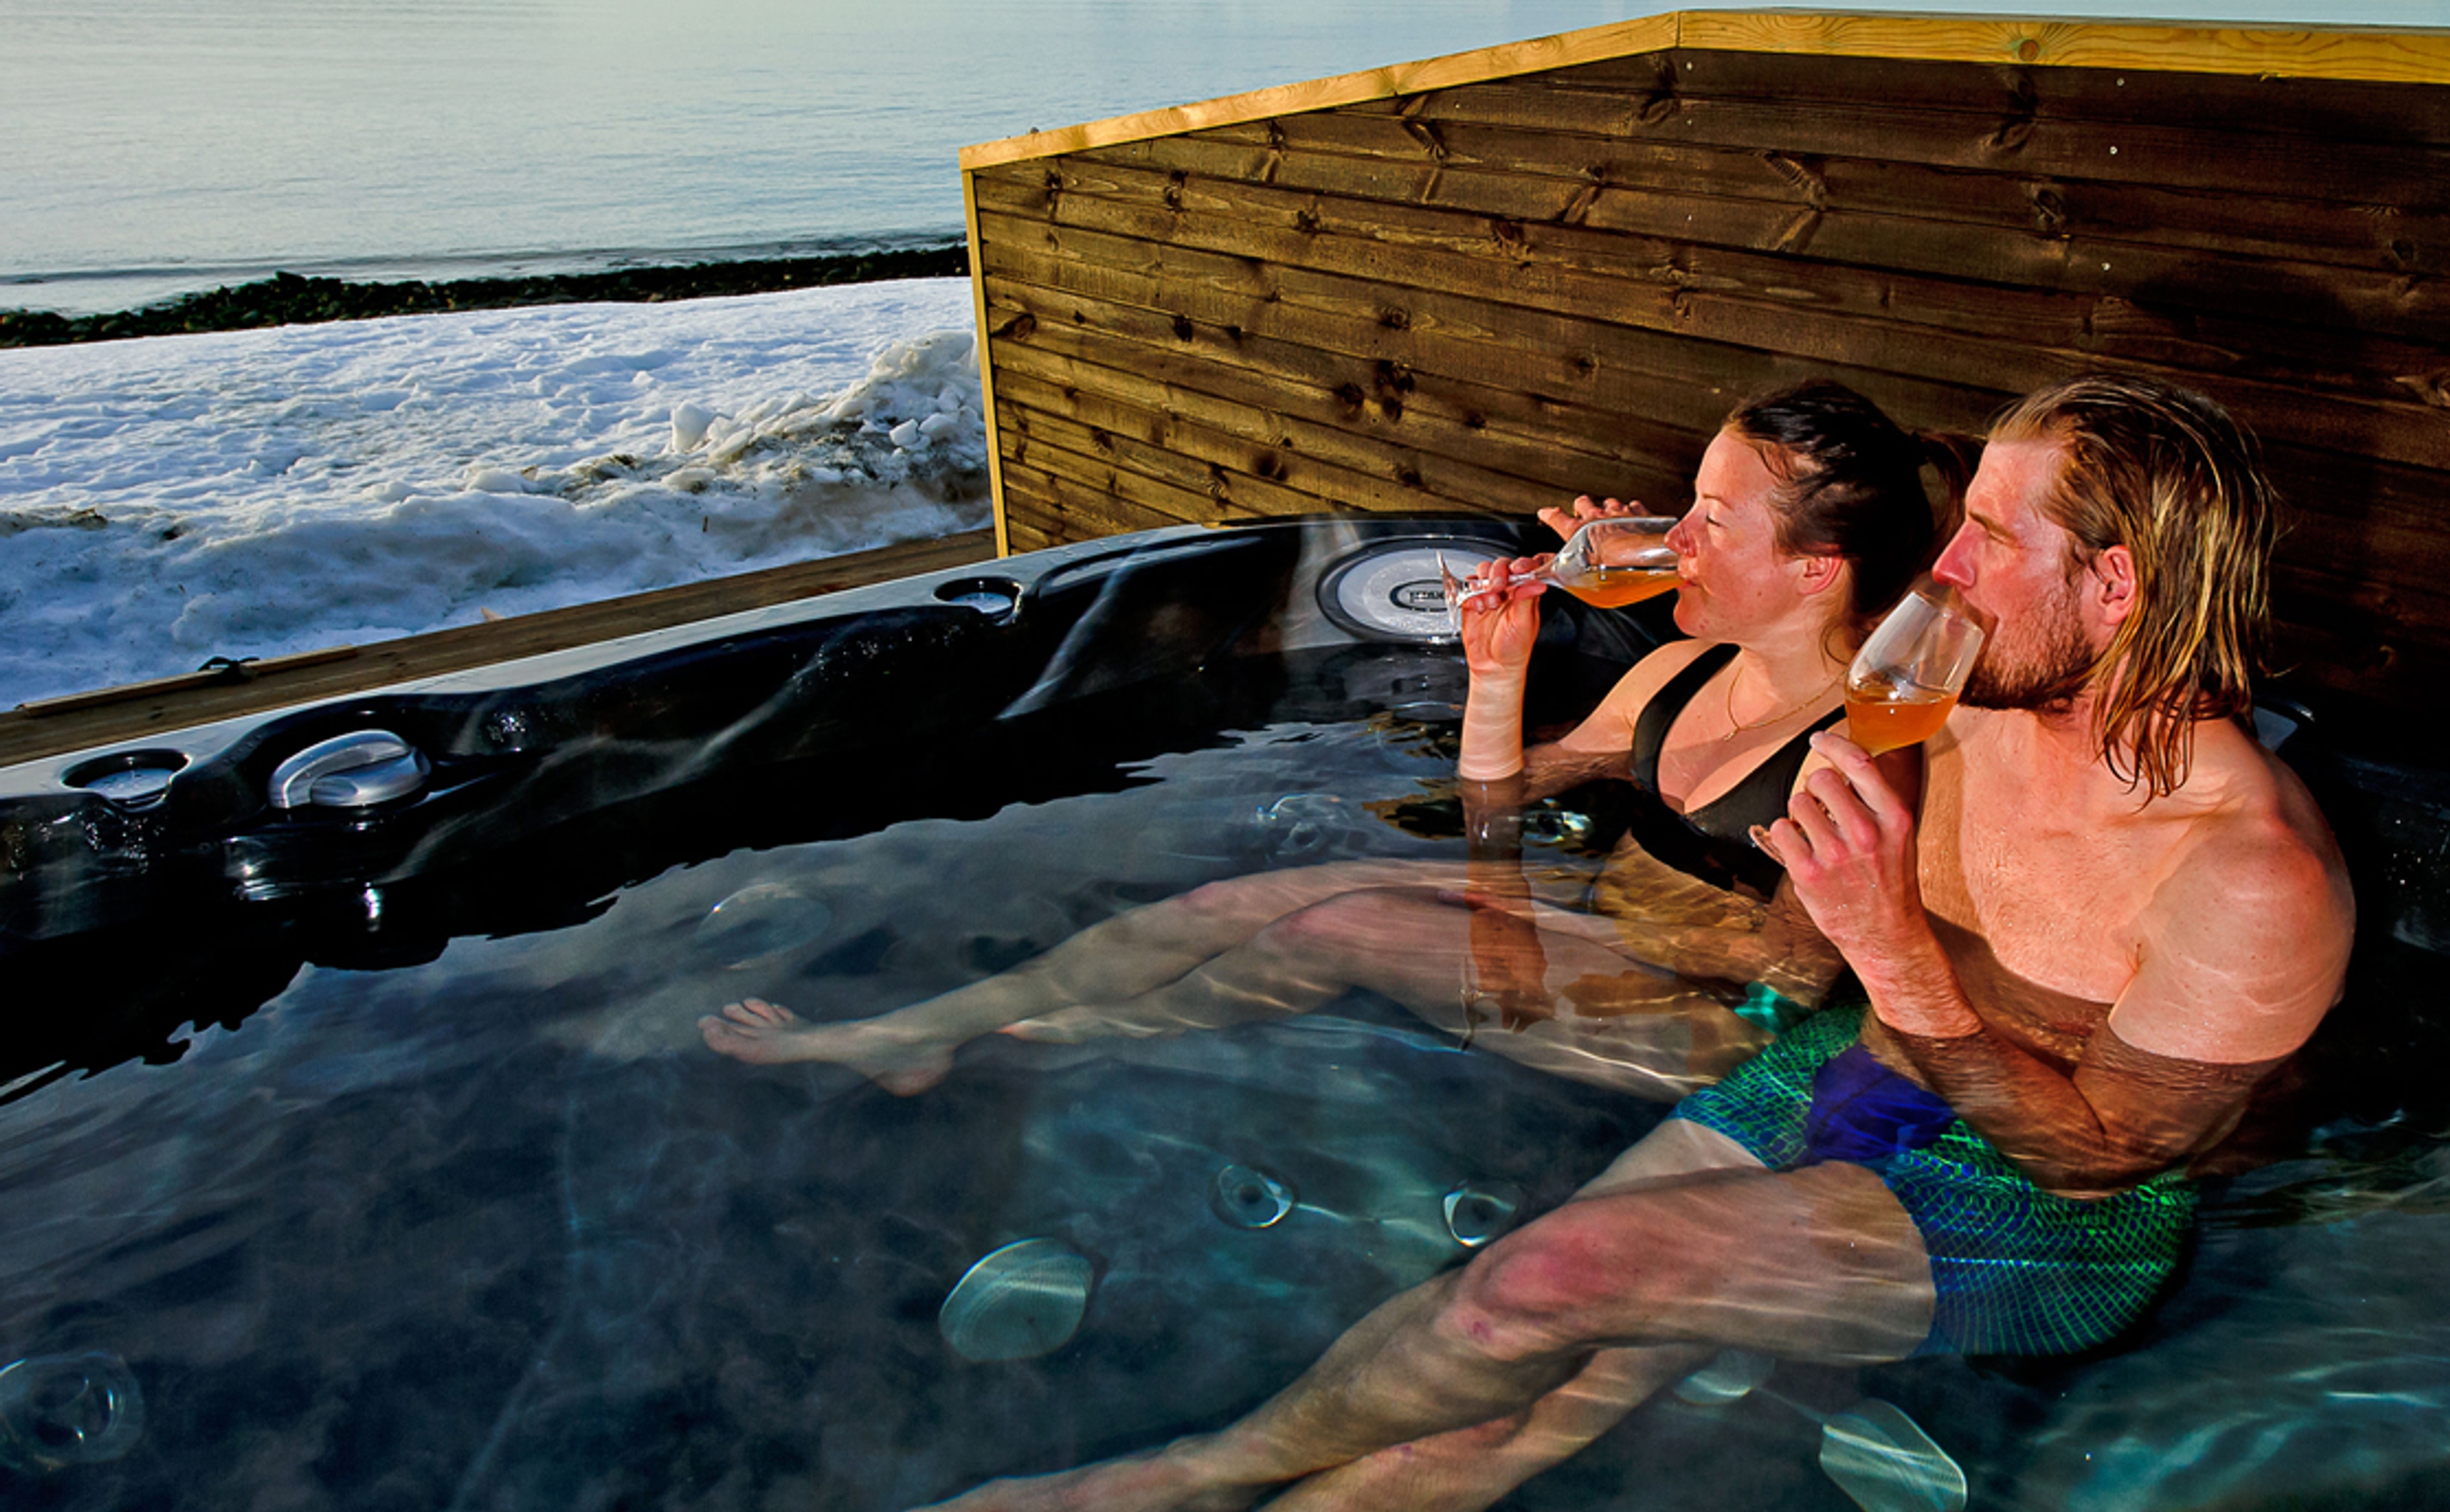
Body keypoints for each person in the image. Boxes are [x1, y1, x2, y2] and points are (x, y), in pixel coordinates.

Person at [920, 373, 2355, 1512]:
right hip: (1837, 1075)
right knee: (1527, 1356)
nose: (1953, 562)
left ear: (2117, 591)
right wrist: (1619, 566)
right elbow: (1760, 623)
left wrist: (1889, 947)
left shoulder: (2247, 873)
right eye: (1960, 517)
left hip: (2034, 1227)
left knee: (1552, 1285)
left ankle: (1175, 1481)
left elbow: (2098, 1152)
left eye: (1995, 536)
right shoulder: (1958, 681)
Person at [700, 380, 1950, 1103]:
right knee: (1276, 888)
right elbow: (1494, 801)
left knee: (1335, 923)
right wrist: (1496, 677)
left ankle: (999, 1042)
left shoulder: (1869, 742)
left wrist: (1528, 920)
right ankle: (945, 1025)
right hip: (1606, 937)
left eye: (1711, 520)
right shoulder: (1684, 670)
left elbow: (1797, 986)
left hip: (1710, 1031)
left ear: (1813, 571)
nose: (1675, 534)